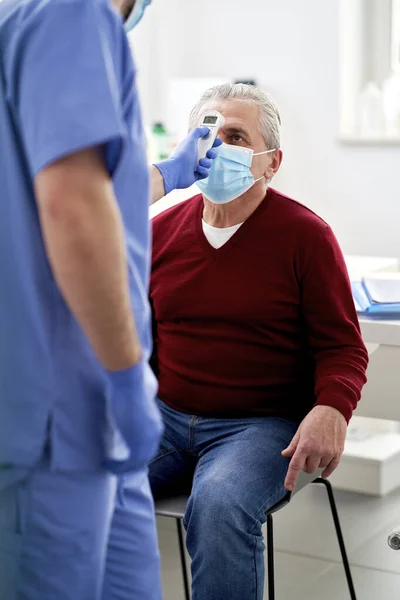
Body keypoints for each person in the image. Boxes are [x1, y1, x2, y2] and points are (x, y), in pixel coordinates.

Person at [0, 1, 220, 598]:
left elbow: (89, 188)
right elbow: (72, 207)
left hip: (95, 423)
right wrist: (126, 374)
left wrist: (169, 174)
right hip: (59, 411)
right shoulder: (71, 14)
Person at [148, 83, 369, 600]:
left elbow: (343, 347)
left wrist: (331, 409)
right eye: (206, 133)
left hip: (260, 424)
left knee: (220, 504)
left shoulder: (305, 237)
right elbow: (138, 337)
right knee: (77, 480)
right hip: (165, 415)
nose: (216, 146)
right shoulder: (159, 232)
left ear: (272, 162)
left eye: (235, 135)